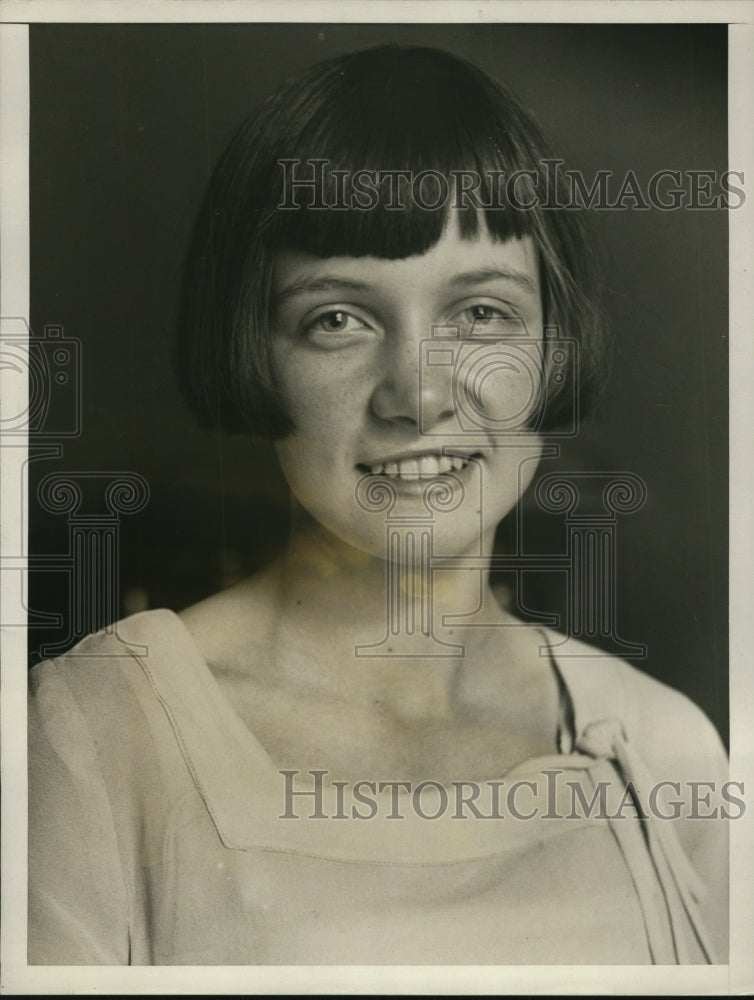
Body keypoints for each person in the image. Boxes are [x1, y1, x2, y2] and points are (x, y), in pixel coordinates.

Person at [28, 45, 728, 965]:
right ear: (251, 349)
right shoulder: (95, 731)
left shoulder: (665, 747)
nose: (420, 396)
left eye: (481, 314)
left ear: (556, 347)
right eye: (338, 318)